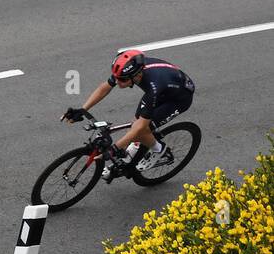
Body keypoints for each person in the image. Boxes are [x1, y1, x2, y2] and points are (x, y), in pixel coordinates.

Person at [63, 50, 195, 181]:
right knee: (135, 124)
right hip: (164, 89)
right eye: (118, 78)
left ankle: (158, 149)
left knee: (143, 128)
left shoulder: (152, 86)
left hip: (178, 99)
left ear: (136, 76)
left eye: (123, 80)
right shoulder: (127, 71)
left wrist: (115, 148)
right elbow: (104, 88)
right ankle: (134, 150)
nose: (119, 83)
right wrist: (82, 109)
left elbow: (141, 127)